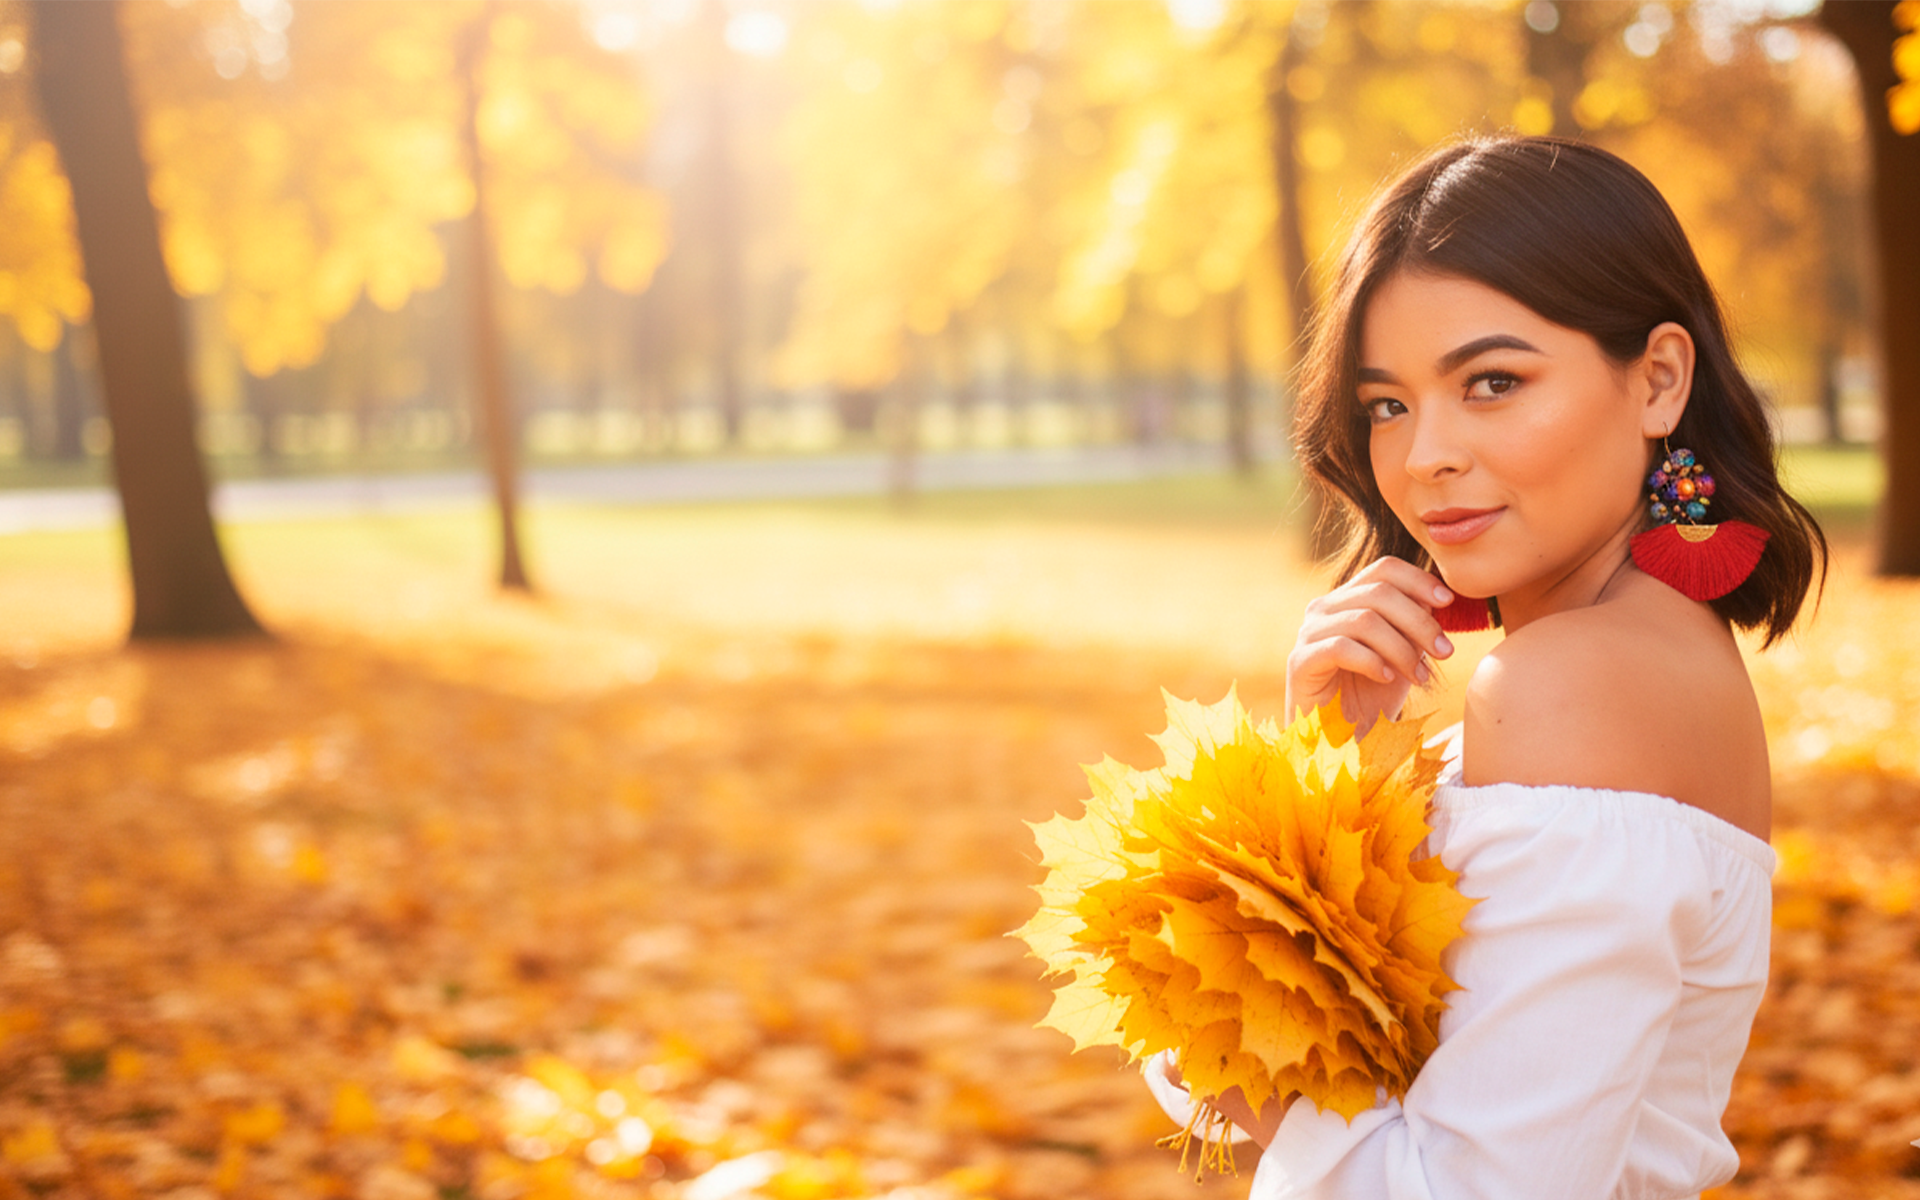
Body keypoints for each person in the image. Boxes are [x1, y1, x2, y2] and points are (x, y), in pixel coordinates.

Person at [1146, 136, 1825, 1197]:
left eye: (1493, 382)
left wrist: (1208, 1015)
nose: (1425, 456)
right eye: (1387, 404)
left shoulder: (1572, 686)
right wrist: (1336, 769)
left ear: (1657, 380)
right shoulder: (1656, 650)